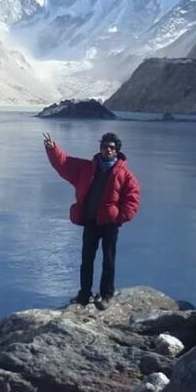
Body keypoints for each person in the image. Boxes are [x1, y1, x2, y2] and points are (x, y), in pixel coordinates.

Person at [43, 130, 141, 309]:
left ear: (117, 151)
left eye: (111, 148)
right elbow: (64, 163)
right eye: (105, 147)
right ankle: (84, 294)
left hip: (109, 225)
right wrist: (53, 149)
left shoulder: (126, 176)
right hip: (90, 222)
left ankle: (106, 295)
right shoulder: (87, 168)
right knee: (86, 259)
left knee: (108, 260)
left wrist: (117, 216)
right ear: (101, 148)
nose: (108, 150)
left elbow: (132, 201)